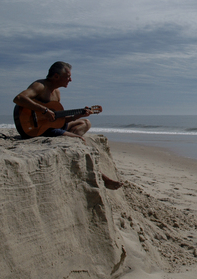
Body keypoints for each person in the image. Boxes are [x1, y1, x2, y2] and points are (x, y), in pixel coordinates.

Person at [14, 61, 122, 190]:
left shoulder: (57, 93)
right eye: (68, 76)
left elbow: (59, 119)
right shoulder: (40, 86)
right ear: (56, 76)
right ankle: (103, 176)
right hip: (39, 130)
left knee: (85, 123)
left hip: (52, 126)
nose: (70, 80)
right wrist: (44, 110)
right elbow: (19, 98)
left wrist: (79, 115)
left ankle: (68, 135)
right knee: (79, 140)